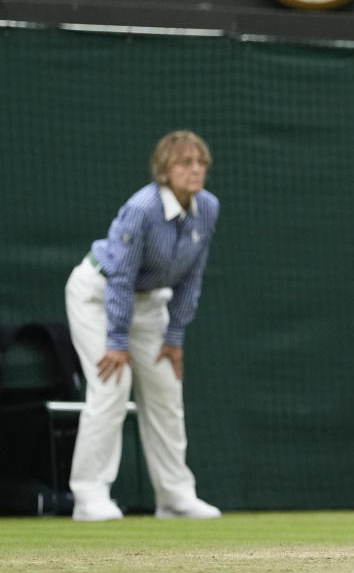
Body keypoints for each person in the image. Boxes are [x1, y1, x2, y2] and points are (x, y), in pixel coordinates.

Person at [65, 130, 221, 521]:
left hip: (151, 306)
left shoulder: (209, 207)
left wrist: (174, 337)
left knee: (167, 394)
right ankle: (89, 498)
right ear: (165, 170)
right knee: (111, 388)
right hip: (98, 296)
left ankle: (175, 497)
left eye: (201, 162)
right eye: (185, 162)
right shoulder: (142, 208)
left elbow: (192, 277)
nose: (196, 169)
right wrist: (116, 341)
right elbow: (120, 277)